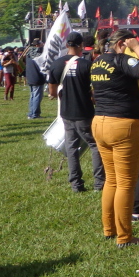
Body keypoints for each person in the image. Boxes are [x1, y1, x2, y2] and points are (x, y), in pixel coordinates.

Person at [90, 30, 139, 247]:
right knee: (126, 183)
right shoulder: (122, 59)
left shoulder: (97, 62)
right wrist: (137, 48)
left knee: (111, 179)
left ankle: (109, 228)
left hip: (100, 122)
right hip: (124, 124)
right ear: (121, 43)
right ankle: (125, 237)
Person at [49, 32, 102, 193]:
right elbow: (94, 91)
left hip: (67, 112)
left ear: (67, 45)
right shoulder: (87, 65)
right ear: (81, 46)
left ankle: (76, 184)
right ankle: (99, 183)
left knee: (71, 148)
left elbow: (52, 92)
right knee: (95, 145)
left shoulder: (57, 64)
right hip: (85, 111)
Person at [24, 45, 45, 119]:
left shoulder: (28, 55)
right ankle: (35, 114)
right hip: (37, 78)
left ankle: (31, 113)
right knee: (37, 96)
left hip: (30, 77)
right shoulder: (39, 57)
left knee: (32, 96)